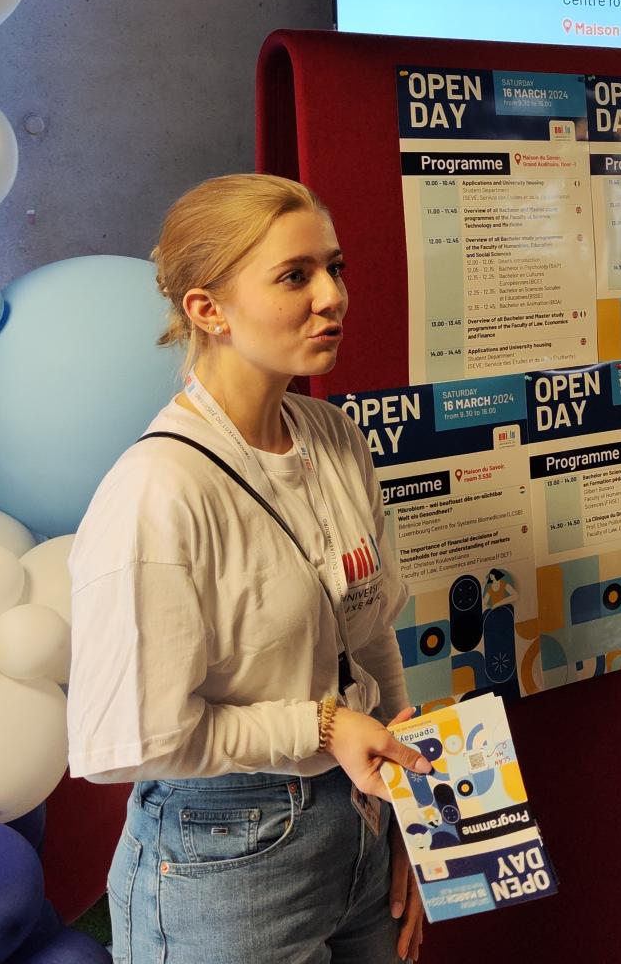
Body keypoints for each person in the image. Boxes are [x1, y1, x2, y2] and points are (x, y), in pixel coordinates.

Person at [68, 174, 430, 963]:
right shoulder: (157, 490)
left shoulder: (334, 436)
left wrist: (410, 808)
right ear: (208, 310)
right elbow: (125, 739)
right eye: (295, 276)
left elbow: (370, 641)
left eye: (334, 268)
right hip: (225, 856)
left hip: (362, 827)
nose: (331, 296)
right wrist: (323, 726)